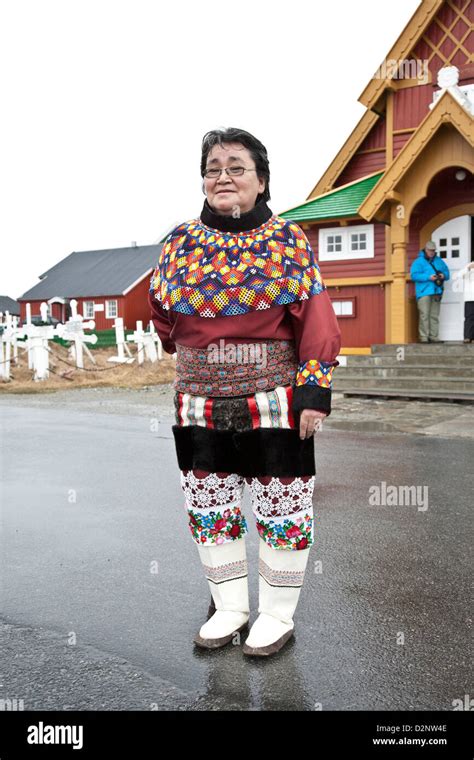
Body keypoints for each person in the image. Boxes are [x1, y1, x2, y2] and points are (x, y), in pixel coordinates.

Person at [148, 127, 341, 657]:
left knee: (282, 506)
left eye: (237, 167)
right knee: (210, 503)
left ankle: (276, 615)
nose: (222, 177)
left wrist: (313, 392)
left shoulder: (286, 241)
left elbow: (316, 321)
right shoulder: (179, 243)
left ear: (261, 181)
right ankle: (229, 604)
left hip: (275, 397)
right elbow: (162, 317)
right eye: (213, 168)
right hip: (197, 397)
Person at [410, 241, 450, 343]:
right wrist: (428, 277)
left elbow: (447, 273)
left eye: (433, 250)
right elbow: (414, 275)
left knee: (434, 315)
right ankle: (424, 337)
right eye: (430, 250)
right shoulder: (418, 262)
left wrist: (443, 275)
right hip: (424, 292)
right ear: (425, 249)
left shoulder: (439, 261)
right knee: (424, 315)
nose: (432, 252)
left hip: (437, 291)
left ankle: (434, 337)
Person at [452, 261, 474, 343]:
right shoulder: (469, 265)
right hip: (469, 297)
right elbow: (458, 275)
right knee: (469, 318)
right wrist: (468, 268)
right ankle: (468, 337)